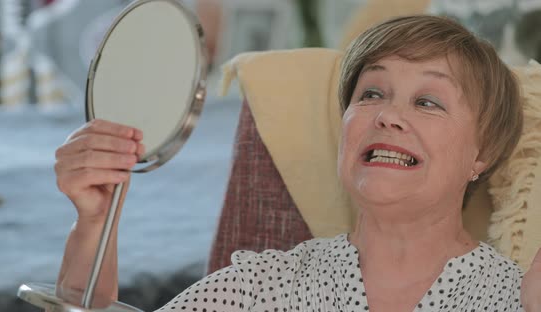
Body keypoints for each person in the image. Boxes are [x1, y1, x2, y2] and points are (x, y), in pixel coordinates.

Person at [52, 15, 541, 311]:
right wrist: (93, 225)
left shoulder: (516, 299)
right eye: (371, 93)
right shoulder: (256, 287)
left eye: (428, 102)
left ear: (484, 152)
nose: (388, 115)